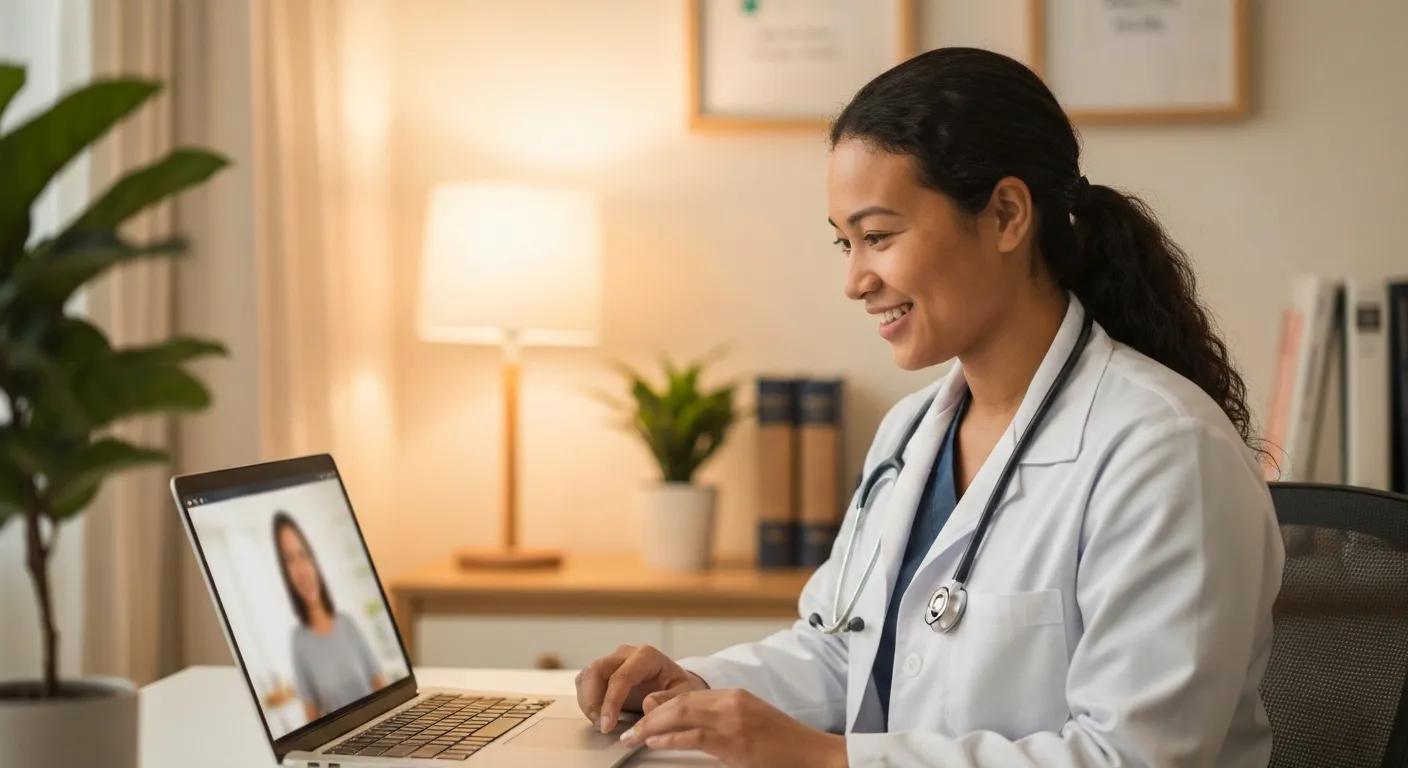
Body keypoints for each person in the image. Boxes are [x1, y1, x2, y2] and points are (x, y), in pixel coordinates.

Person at [574, 47, 1284, 767]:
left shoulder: (1164, 449)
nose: (855, 279)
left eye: (878, 236)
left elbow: (1131, 757)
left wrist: (828, 759)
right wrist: (696, 687)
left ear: (1006, 215)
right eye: (844, 243)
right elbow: (846, 650)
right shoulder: (910, 432)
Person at [272, 511, 388, 722]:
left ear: (314, 561)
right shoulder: (299, 641)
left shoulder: (347, 624)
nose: (301, 570)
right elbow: (312, 718)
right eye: (289, 560)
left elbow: (380, 685)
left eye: (303, 555)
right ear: (285, 574)